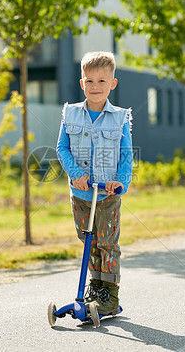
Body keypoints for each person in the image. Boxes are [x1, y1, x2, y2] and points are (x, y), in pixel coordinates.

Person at [56, 51, 133, 316]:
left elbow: (126, 156)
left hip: (108, 194)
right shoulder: (71, 114)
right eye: (90, 81)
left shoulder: (121, 117)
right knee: (87, 239)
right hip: (81, 192)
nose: (95, 86)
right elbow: (62, 148)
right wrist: (75, 173)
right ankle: (95, 287)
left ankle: (109, 296)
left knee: (107, 242)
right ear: (82, 83)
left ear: (112, 83)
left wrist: (120, 183)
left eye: (102, 81)